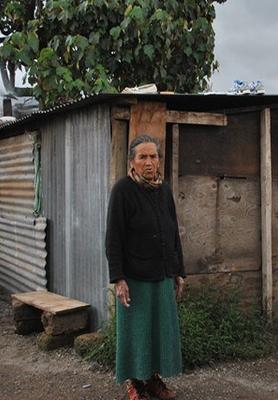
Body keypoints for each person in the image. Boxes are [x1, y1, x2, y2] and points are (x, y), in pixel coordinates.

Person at [106, 135, 185, 400]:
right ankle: (134, 383)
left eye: (154, 156)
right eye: (143, 157)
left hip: (162, 273)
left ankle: (152, 380)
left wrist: (179, 271)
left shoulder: (164, 190)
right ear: (132, 161)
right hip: (134, 277)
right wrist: (118, 278)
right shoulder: (123, 191)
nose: (149, 163)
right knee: (135, 331)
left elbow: (173, 232)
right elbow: (113, 237)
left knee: (158, 330)